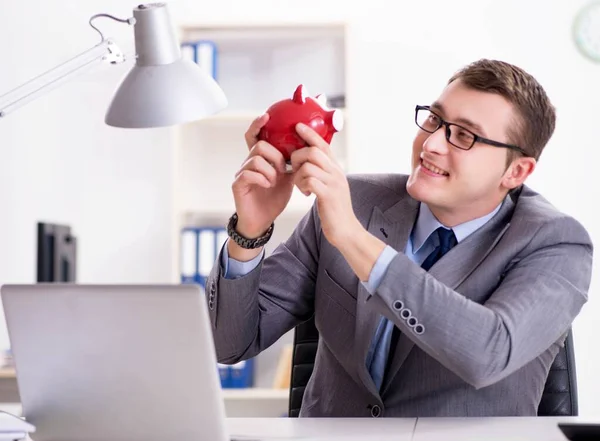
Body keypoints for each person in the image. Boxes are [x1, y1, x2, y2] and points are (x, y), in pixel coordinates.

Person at [204, 59, 593, 417]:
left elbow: (487, 353)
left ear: (517, 171)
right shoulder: (354, 201)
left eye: (464, 136)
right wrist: (249, 231)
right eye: (435, 121)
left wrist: (354, 239)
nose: (432, 144)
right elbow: (228, 346)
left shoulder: (556, 244)